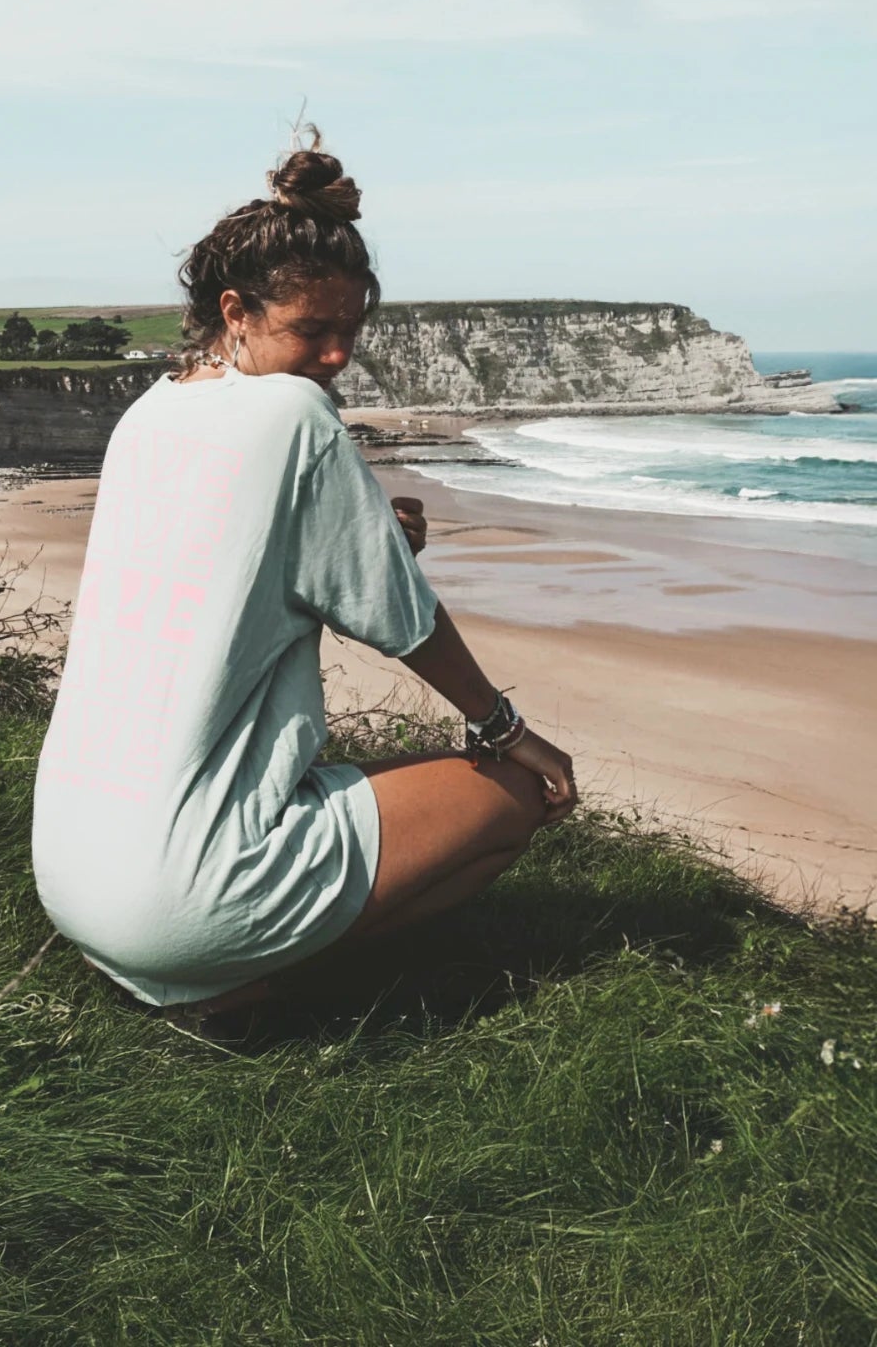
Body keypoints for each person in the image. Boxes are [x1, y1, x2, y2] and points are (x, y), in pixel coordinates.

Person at [31, 131, 578, 1019]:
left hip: (75, 875)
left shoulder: (150, 411)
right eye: (312, 331)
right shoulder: (294, 414)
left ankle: (217, 965)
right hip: (177, 897)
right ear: (236, 310)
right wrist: (506, 725)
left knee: (393, 778)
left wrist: (365, 536)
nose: (334, 358)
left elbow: (225, 558)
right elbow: (405, 623)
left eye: (350, 333)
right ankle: (253, 987)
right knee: (513, 794)